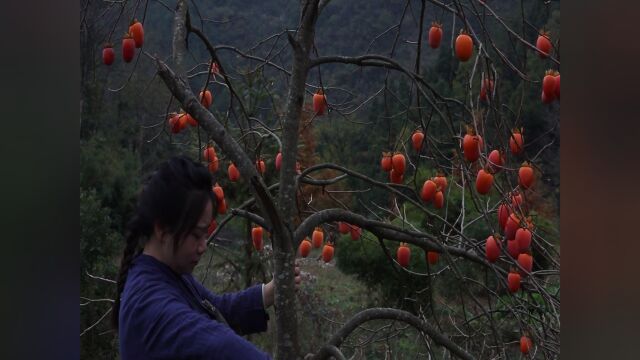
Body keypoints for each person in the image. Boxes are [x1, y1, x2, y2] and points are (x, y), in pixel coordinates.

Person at [111, 156, 300, 359]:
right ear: (162, 230)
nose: (203, 247)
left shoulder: (169, 273)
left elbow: (217, 310)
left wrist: (269, 292)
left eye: (205, 235)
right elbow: (218, 346)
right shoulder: (149, 306)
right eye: (196, 235)